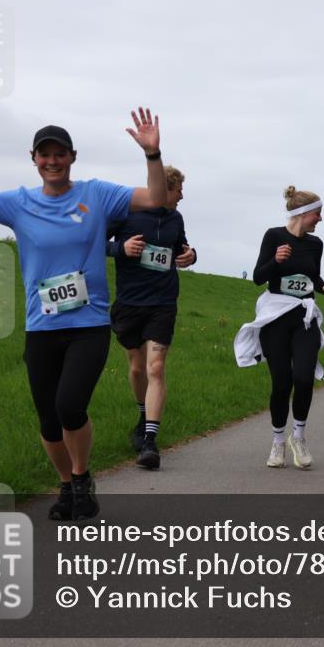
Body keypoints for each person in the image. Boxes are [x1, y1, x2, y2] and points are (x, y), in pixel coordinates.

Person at [0, 108, 168, 520]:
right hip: (41, 325)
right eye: (45, 155)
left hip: (89, 324)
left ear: (72, 157)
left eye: (60, 154)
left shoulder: (96, 195)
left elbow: (155, 198)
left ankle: (81, 477)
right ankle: (66, 485)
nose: (53, 161)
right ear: (34, 159)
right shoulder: (18, 203)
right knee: (48, 421)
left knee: (69, 407)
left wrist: (152, 154)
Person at [234, 186, 324, 469]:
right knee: (281, 384)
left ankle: (299, 437)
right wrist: (275, 261)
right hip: (275, 317)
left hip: (303, 317)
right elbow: (259, 277)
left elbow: (312, 275)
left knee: (304, 378)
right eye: (317, 214)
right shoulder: (273, 236)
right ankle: (278, 442)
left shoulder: (315, 244)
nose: (320, 219)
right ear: (302, 213)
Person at [106, 165, 196, 470]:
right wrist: (121, 248)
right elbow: (95, 244)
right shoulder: (125, 213)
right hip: (130, 303)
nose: (182, 196)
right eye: (179, 190)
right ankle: (143, 414)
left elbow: (182, 247)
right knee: (136, 369)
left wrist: (190, 255)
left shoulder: (175, 218)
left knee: (155, 367)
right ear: (165, 188)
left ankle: (149, 442)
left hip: (163, 302)